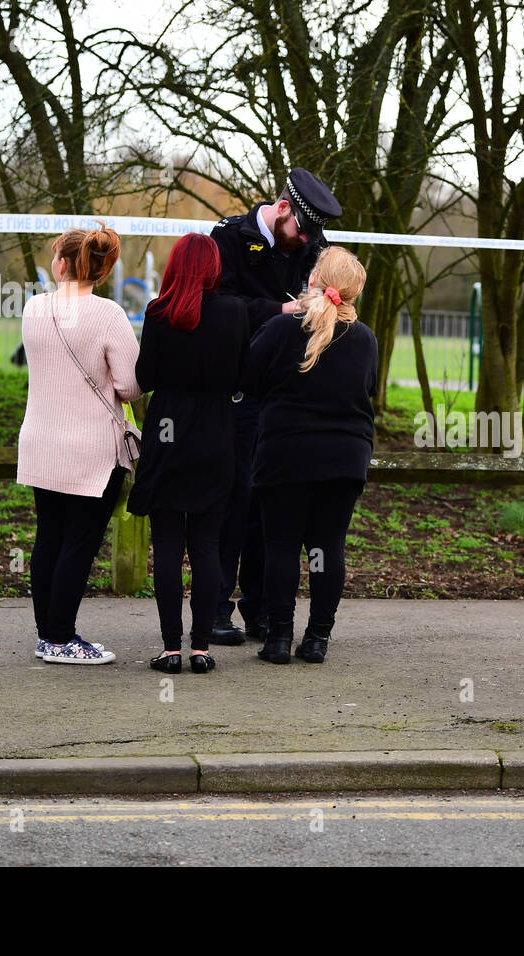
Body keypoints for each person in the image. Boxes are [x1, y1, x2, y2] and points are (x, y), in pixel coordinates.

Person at [208, 167, 343, 646]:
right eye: (301, 231)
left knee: (267, 510)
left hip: (282, 397)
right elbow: (218, 306)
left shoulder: (305, 246)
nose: (306, 241)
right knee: (231, 502)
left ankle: (260, 608)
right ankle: (217, 606)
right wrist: (283, 311)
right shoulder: (226, 240)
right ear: (283, 209)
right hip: (237, 389)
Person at [126, 233, 253, 674]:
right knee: (206, 545)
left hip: (167, 434)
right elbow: (243, 377)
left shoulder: (159, 313)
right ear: (214, 268)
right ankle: (201, 647)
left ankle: (169, 649)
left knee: (166, 545)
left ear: (177, 266)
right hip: (216, 435)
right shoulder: (236, 313)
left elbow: (145, 375)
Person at [17, 221, 142, 664]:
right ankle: (61, 637)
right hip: (90, 448)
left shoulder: (35, 309)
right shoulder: (108, 315)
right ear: (102, 269)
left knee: (48, 537)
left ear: (63, 262)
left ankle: (46, 633)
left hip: (41, 441)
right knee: (80, 543)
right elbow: (129, 386)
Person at [245, 246, 377, 664]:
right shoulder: (366, 339)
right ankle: (318, 638)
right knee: (327, 548)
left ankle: (279, 639)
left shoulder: (282, 328)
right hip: (344, 458)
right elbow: (367, 389)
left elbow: (248, 376)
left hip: (285, 453)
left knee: (280, 547)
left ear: (316, 278)